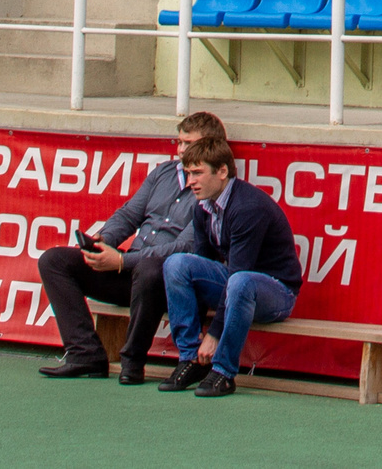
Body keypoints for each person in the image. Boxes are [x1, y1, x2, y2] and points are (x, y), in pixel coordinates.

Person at [35, 111, 224, 382]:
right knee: (54, 260)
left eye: (189, 143)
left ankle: (132, 363)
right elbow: (128, 215)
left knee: (151, 269)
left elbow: (185, 247)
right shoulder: (163, 173)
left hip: (167, 283)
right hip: (129, 270)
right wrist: (104, 241)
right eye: (179, 142)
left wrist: (123, 262)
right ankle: (84, 354)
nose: (181, 150)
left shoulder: (214, 187)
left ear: (210, 147)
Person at [159, 134, 303, 397]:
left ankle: (224, 372)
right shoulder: (202, 208)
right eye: (188, 173)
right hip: (238, 285)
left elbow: (237, 273)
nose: (190, 182)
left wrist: (213, 334)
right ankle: (191, 359)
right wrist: (199, 335)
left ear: (222, 171)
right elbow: (204, 264)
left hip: (277, 292)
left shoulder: (247, 207)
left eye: (198, 173)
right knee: (177, 264)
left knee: (239, 281)